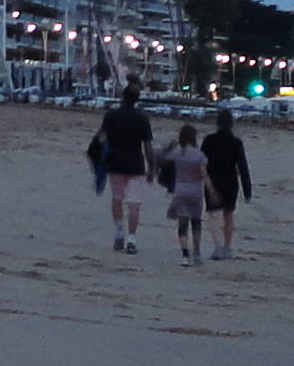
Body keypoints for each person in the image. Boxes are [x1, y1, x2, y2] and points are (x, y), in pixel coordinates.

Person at [87, 89, 156, 251]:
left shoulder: (111, 115)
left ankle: (119, 233)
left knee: (117, 199)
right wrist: (152, 168)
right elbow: (147, 146)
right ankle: (132, 239)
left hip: (115, 164)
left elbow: (101, 138)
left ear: (122, 98)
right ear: (137, 99)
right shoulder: (142, 118)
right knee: (134, 205)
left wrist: (96, 158)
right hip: (135, 165)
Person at [199, 111, 252, 256]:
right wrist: (247, 190)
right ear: (231, 124)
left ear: (217, 123)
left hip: (213, 180)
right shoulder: (236, 143)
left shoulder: (209, 140)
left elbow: (201, 162)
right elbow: (242, 167)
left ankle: (217, 246)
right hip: (230, 182)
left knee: (213, 214)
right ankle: (227, 247)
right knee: (228, 214)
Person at [161, 126, 212, 263]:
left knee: (183, 224)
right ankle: (197, 253)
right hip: (196, 192)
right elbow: (204, 174)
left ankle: (185, 255)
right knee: (196, 222)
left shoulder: (178, 152)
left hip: (181, 190)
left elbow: (165, 159)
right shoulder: (199, 154)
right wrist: (212, 190)